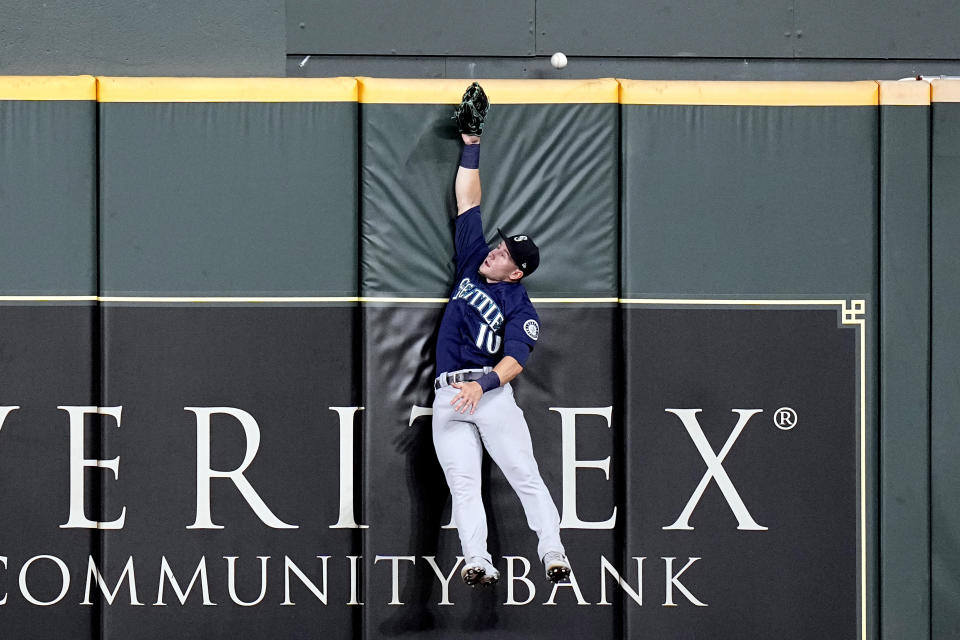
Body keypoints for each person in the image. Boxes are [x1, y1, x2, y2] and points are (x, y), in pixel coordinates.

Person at [431, 82, 571, 588]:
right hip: (448, 396)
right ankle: (478, 562)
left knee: (524, 476)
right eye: (501, 246)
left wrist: (484, 386)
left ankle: (553, 553)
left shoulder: (519, 305)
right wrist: (472, 142)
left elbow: (516, 361)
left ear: (517, 273)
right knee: (464, 485)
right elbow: (468, 199)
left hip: (488, 397)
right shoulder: (473, 260)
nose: (497, 252)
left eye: (507, 255)